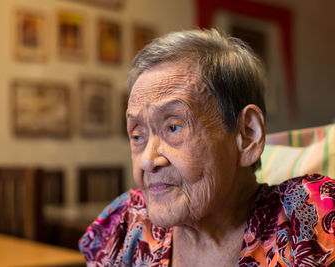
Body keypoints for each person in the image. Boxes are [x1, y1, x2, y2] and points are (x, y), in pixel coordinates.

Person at [79, 29, 335, 266]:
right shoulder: (129, 223)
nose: (147, 160)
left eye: (173, 127)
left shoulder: (308, 218)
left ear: (247, 135)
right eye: (137, 136)